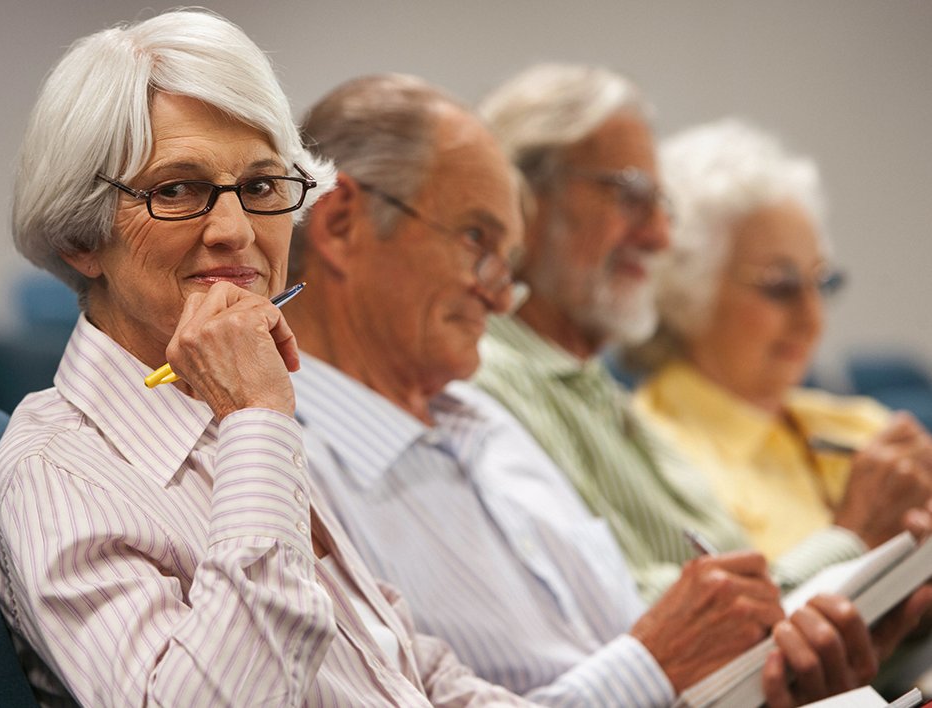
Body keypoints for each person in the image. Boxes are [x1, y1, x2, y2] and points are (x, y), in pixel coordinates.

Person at [283, 71, 921, 708]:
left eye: (508, 260)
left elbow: (662, 641)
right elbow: (656, 650)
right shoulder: (287, 476)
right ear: (341, 224)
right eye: (477, 239)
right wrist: (660, 664)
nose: (502, 298)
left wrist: (779, 679)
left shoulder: (479, 420)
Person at [0, 10, 534, 706]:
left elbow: (403, 667)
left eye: (262, 186)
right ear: (79, 237)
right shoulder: (60, 473)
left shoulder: (224, 417)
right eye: (176, 190)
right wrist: (258, 419)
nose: (236, 231)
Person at [472, 63, 932, 602]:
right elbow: (646, 619)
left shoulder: (595, 391)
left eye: (823, 283)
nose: (660, 236)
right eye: (629, 195)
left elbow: (743, 598)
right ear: (522, 198)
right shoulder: (488, 381)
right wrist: (855, 539)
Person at [628, 117, 932, 563]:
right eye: (780, 287)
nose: (813, 320)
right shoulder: (651, 454)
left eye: (822, 283)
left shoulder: (863, 428)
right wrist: (856, 533)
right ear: (686, 287)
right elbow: (737, 607)